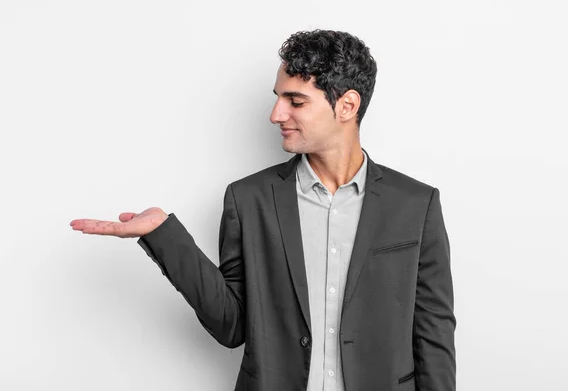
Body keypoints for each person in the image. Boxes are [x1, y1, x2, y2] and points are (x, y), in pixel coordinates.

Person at [70, 29, 456, 391]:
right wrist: (163, 236)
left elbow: (433, 332)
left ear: (347, 105)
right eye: (278, 96)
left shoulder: (415, 204)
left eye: (295, 100)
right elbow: (231, 325)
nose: (276, 114)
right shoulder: (248, 199)